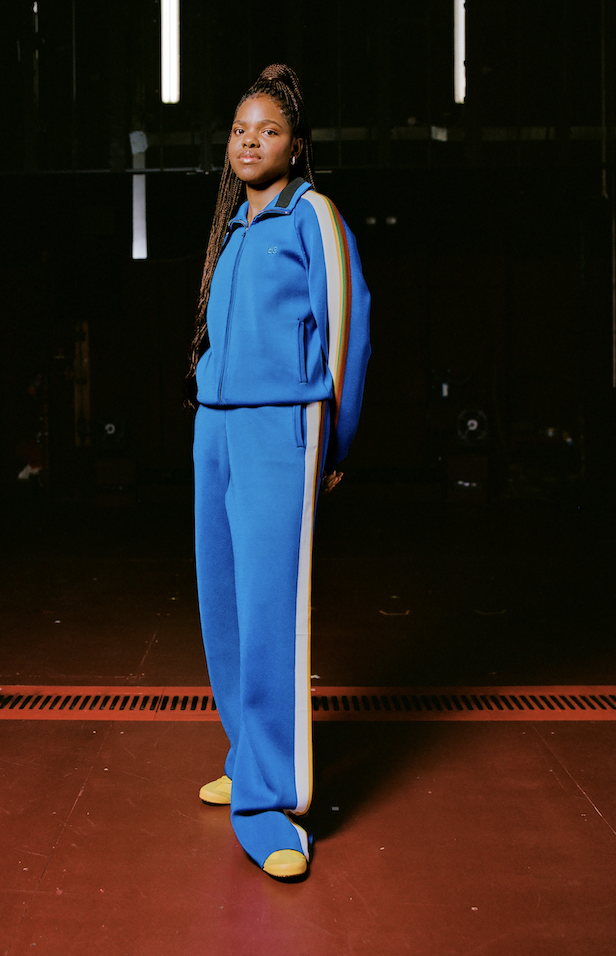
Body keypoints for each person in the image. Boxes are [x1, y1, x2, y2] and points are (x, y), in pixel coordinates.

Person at [187, 63, 371, 879]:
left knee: (270, 612)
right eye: (240, 130)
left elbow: (347, 333)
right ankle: (248, 755)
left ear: (296, 145)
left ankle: (272, 802)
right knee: (224, 605)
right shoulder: (234, 230)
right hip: (217, 429)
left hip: (280, 430)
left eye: (268, 130)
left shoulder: (313, 215)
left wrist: (333, 445)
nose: (250, 142)